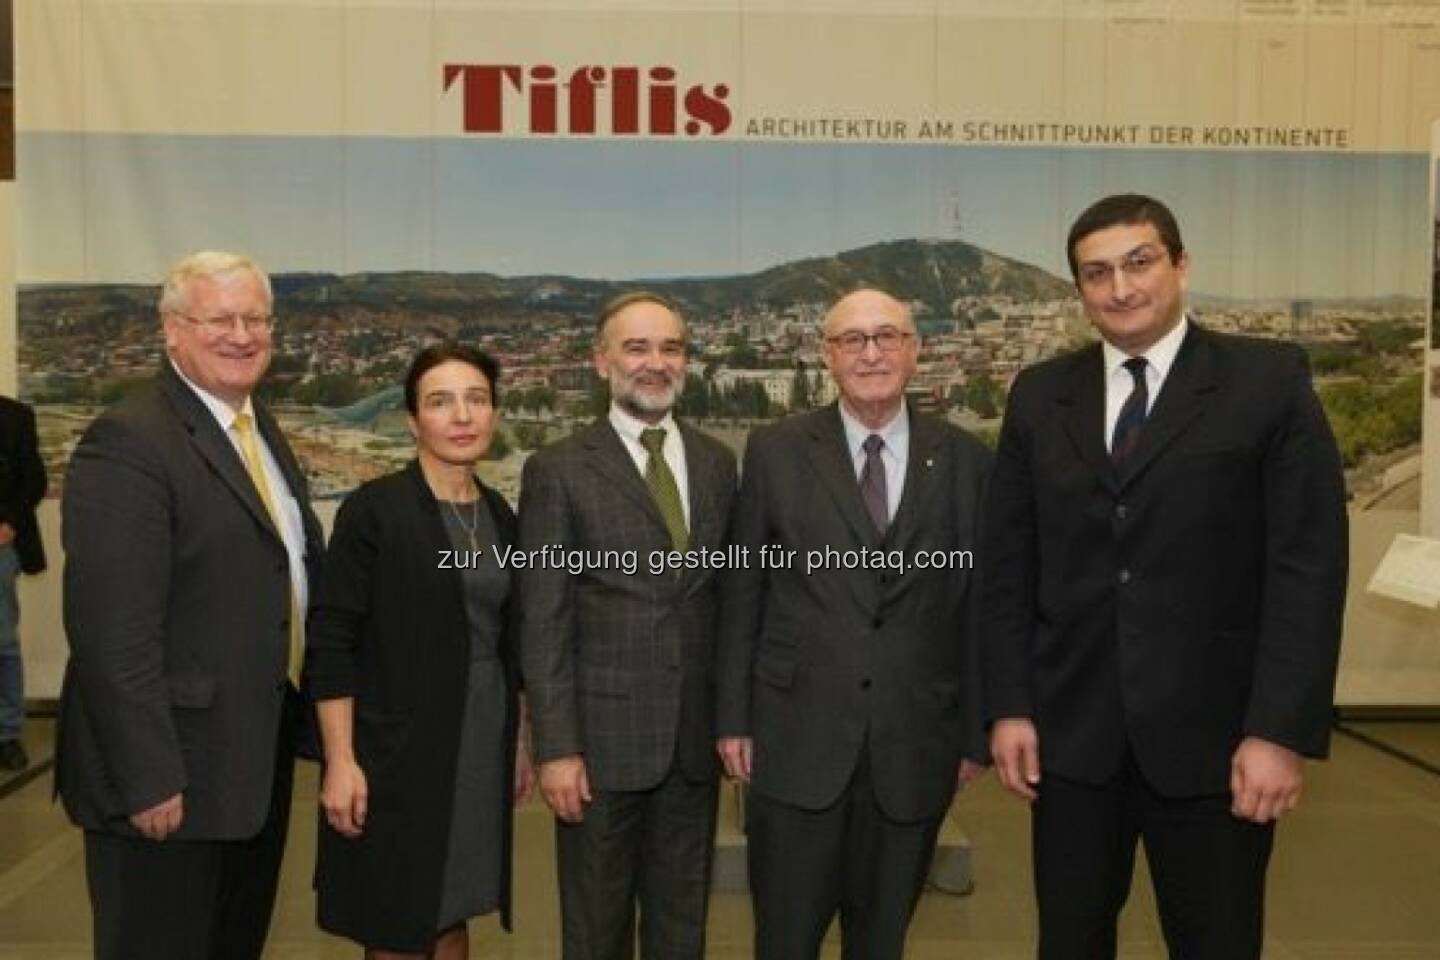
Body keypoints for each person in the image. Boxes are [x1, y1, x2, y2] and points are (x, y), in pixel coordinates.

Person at [981, 193, 1348, 959]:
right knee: (1070, 942)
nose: (1121, 288)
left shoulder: (1267, 382)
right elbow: (1010, 563)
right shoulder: (1040, 396)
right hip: (1072, 739)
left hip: (1217, 743)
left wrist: (1278, 731)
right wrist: (1009, 706)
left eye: (1139, 263)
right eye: (1097, 273)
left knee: (1215, 941)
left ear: (1181, 265)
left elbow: (1306, 568)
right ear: (1078, 289)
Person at [56, 251, 324, 959]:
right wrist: (147, 778)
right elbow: (113, 634)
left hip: (246, 772)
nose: (242, 334)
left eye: (257, 319)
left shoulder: (257, 428)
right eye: (220, 319)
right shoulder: (130, 440)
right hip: (169, 782)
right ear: (172, 330)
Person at [716, 288, 992, 960]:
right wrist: (732, 719)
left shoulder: (968, 461)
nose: (872, 353)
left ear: (916, 349)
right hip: (794, 740)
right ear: (828, 356)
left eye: (888, 336)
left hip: (915, 745)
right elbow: (743, 588)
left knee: (881, 942)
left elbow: (982, 608)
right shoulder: (775, 451)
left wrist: (975, 735)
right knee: (784, 940)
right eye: (853, 340)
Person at [517, 291, 737, 960]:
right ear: (601, 360)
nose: (655, 362)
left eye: (670, 348)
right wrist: (556, 747)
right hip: (599, 750)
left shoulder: (717, 463)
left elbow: (726, 604)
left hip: (691, 746)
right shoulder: (557, 468)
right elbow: (544, 617)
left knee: (682, 931)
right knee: (596, 932)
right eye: (637, 347)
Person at [309, 341, 535, 959]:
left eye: (476, 400)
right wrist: (340, 760)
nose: (462, 416)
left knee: (452, 908)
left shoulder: (499, 516)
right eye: (441, 401)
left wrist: (520, 740)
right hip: (395, 755)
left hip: (477, 743)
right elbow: (331, 642)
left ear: (493, 414)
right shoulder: (373, 512)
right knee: (398, 919)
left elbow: (509, 637)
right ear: (413, 421)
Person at [0, 393, 46, 771]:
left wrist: (9, 523)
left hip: (0, 543)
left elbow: (34, 479)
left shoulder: (15, 416)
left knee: (1, 642)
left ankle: (6, 733)